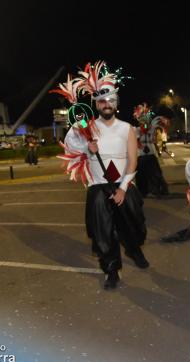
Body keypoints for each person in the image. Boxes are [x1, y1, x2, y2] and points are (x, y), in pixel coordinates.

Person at [56, 61, 148, 290]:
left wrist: (123, 188)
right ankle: (111, 269)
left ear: (116, 103)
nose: (106, 104)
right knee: (102, 233)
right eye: (101, 101)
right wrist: (88, 147)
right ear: (96, 104)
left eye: (110, 101)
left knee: (134, 226)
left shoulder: (127, 128)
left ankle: (134, 249)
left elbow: (133, 159)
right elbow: (71, 148)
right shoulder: (84, 128)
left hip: (124, 184)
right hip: (98, 186)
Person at [133, 104, 169, 197]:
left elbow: (154, 138)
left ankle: (157, 190)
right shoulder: (135, 130)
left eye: (146, 118)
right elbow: (137, 143)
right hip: (141, 155)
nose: (144, 121)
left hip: (151, 154)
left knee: (155, 174)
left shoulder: (152, 129)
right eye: (141, 118)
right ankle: (143, 191)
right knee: (141, 175)